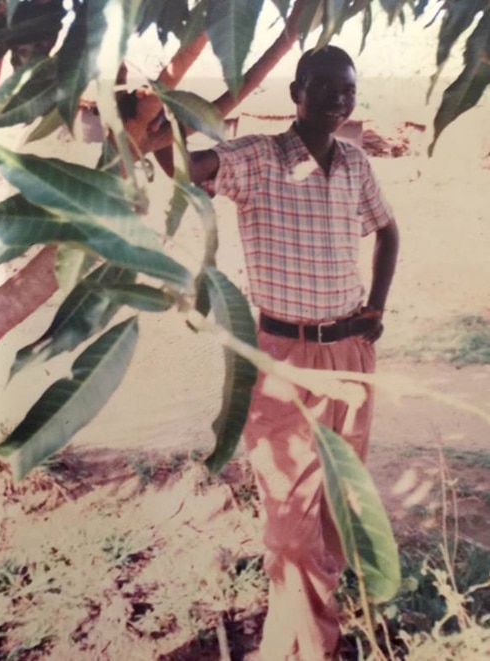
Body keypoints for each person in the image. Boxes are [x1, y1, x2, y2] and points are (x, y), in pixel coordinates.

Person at [146, 45, 399, 660]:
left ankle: (304, 637)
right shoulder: (258, 157)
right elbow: (183, 168)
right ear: (296, 92)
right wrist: (155, 114)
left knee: (341, 503)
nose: (341, 100)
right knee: (289, 523)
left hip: (351, 355)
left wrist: (377, 310)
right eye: (328, 88)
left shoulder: (357, 164)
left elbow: (387, 230)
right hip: (285, 356)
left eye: (350, 90)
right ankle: (313, 647)